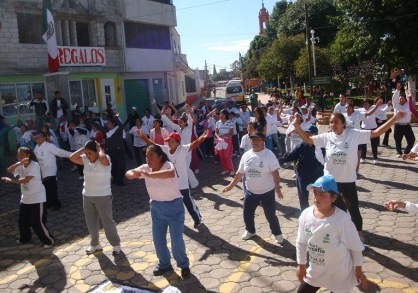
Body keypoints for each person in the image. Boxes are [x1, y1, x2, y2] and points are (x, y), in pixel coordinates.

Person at [292, 111, 406, 241]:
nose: (333, 125)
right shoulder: (327, 137)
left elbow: (376, 133)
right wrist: (296, 125)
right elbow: (307, 139)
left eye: (336, 122)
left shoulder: (353, 134)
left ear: (343, 124)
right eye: (331, 122)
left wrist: (394, 119)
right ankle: (339, 232)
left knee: (353, 209)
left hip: (347, 181)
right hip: (331, 182)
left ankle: (358, 233)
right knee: (337, 210)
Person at [125, 145, 191, 279]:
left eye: (151, 156)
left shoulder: (168, 165)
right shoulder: (145, 168)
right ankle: (164, 264)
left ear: (160, 157)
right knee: (158, 239)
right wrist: (132, 174)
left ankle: (183, 265)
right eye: (147, 157)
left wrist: (149, 174)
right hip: (156, 208)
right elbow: (128, 173)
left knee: (176, 240)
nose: (148, 159)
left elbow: (170, 173)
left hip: (174, 208)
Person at [296, 175, 367, 293]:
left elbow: (355, 247)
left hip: (339, 273)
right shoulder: (306, 215)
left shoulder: (342, 220)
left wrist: (358, 269)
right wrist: (301, 265)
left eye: (322, 194)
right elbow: (301, 241)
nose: (316, 198)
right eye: (315, 192)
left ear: (333, 198)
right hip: (316, 271)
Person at [136, 130, 208, 228]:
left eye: (172, 141)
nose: (170, 143)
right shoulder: (165, 149)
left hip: (182, 184)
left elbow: (194, 144)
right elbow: (152, 144)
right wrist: (142, 136)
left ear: (178, 142)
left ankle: (197, 219)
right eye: (169, 141)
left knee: (188, 202)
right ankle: (175, 221)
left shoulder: (182, 149)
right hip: (170, 184)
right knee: (172, 203)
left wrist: (202, 137)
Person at [223, 131, 285, 244]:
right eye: (253, 140)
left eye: (258, 140)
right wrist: (231, 186)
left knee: (270, 215)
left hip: (267, 192)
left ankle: (277, 233)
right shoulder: (246, 155)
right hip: (251, 192)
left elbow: (275, 173)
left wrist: (278, 189)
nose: (255, 142)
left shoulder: (268, 154)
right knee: (247, 213)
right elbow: (239, 173)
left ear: (263, 141)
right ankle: (250, 231)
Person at [69, 140, 121, 255]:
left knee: (107, 222)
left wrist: (99, 149)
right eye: (86, 153)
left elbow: (103, 159)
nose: (88, 156)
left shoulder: (104, 158)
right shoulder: (85, 159)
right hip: (87, 195)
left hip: (103, 195)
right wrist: (85, 148)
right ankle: (95, 244)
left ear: (97, 152)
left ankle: (115, 244)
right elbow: (72, 157)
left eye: (90, 153)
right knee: (91, 222)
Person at [1, 147, 55, 248]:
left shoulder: (34, 165)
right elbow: (9, 170)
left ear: (28, 155)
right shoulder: (21, 165)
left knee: (37, 222)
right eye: (18, 155)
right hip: (25, 198)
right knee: (22, 221)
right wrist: (19, 163)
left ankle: (49, 241)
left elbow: (26, 179)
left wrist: (12, 181)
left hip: (37, 198)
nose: (19, 157)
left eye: (22, 155)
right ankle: (25, 238)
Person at [279, 125, 324, 212]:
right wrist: (281, 160)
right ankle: (305, 213)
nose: (306, 135)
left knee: (320, 195)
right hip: (303, 175)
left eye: (309, 133)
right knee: (303, 196)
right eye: (305, 133)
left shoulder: (321, 146)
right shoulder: (302, 145)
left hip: (317, 175)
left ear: (315, 135)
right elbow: (292, 155)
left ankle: (321, 212)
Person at [33, 132, 72, 210]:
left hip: (50, 171)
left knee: (52, 189)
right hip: (41, 172)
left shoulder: (49, 146)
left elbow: (60, 152)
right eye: (36, 138)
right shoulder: (36, 147)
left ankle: (56, 204)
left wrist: (72, 154)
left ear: (44, 138)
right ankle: (49, 203)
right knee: (45, 188)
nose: (37, 139)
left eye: (39, 137)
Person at [392, 83, 415, 158]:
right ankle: (399, 152)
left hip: (407, 125)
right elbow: (394, 98)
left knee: (412, 140)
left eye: (403, 98)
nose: (401, 99)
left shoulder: (408, 104)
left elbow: (409, 98)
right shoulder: (395, 104)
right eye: (400, 98)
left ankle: (406, 153)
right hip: (398, 125)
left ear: (405, 99)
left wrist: (406, 90)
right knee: (398, 141)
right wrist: (398, 90)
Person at [215, 109, 235, 176]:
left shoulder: (230, 122)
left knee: (227, 156)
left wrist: (223, 136)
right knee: (221, 156)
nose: (221, 115)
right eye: (220, 114)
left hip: (227, 141)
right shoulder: (218, 123)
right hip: (220, 141)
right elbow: (216, 132)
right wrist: (218, 138)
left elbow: (231, 133)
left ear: (225, 115)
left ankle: (231, 169)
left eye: (222, 114)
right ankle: (225, 169)